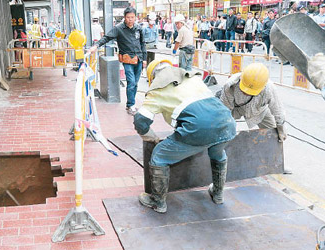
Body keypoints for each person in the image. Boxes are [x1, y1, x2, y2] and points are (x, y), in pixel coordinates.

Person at [134, 60, 237, 213]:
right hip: (227, 123)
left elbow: (141, 120)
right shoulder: (192, 78)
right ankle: (218, 194)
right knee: (217, 152)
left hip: (200, 128)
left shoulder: (158, 90)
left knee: (160, 155)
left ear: (152, 78)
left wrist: (151, 137)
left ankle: (158, 201)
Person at [89, 7, 146, 115]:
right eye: (128, 17)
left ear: (135, 17)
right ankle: (130, 105)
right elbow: (106, 37)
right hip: (127, 59)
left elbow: (143, 44)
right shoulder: (119, 28)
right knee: (131, 82)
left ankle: (131, 104)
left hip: (138, 59)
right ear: (124, 17)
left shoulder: (139, 28)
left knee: (136, 83)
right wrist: (96, 46)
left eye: (132, 17)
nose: (130, 19)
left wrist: (144, 59)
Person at [217, 63, 287, 142]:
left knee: (273, 135)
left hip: (259, 110)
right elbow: (225, 109)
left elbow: (278, 110)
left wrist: (281, 129)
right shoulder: (230, 84)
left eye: (251, 92)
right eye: (244, 89)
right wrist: (224, 126)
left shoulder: (269, 89)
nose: (246, 93)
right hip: (236, 108)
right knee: (221, 127)